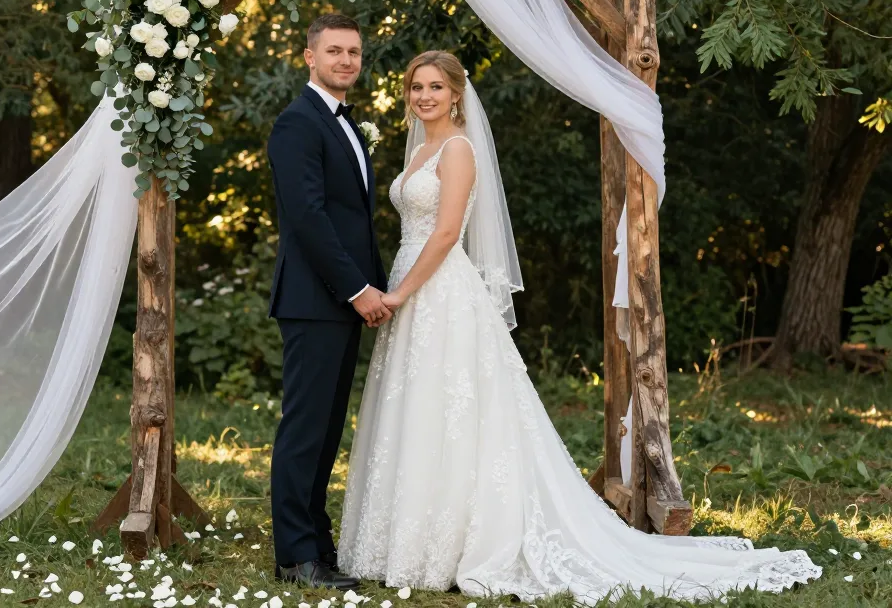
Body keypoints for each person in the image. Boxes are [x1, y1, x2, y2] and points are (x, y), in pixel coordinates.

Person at [336, 50, 821, 605]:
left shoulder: (458, 149)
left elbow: (446, 235)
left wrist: (398, 292)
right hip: (413, 286)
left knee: (456, 408)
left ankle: (456, 540)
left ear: (456, 95)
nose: (424, 96)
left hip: (438, 289)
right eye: (416, 87)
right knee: (417, 407)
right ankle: (405, 539)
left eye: (436, 87)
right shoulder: (420, 148)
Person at [265, 13, 388, 588]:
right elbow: (309, 220)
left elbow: (354, 219)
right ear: (309, 56)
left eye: (354, 52)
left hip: (340, 302)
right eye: (334, 51)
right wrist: (359, 289)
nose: (346, 60)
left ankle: (317, 545)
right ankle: (294, 557)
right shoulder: (298, 124)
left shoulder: (344, 123)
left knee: (327, 430)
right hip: (316, 300)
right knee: (305, 430)